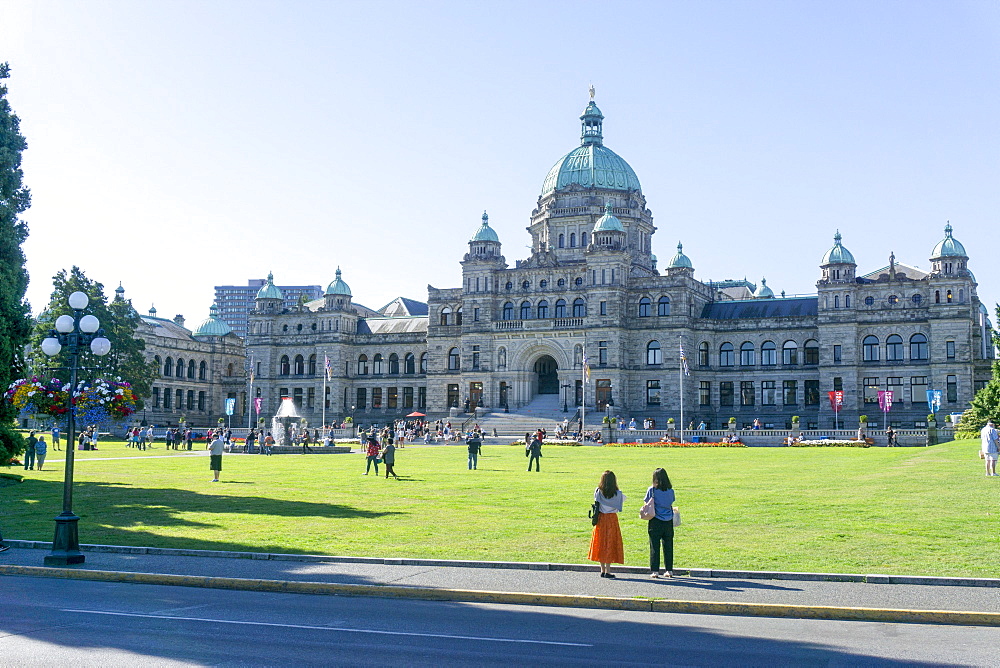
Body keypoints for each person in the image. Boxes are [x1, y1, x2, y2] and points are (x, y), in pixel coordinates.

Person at [588, 470, 625, 578]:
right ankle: (608, 570)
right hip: (612, 519)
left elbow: (596, 503)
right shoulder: (618, 494)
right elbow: (619, 506)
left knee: (600, 543)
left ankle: (602, 569)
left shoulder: (598, 492)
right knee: (610, 543)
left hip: (601, 518)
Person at [644, 468, 676, 578]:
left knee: (654, 546)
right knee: (668, 545)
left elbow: (646, 504)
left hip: (655, 519)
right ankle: (669, 570)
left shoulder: (652, 490)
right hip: (668, 520)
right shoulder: (670, 491)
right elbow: (671, 501)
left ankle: (655, 571)